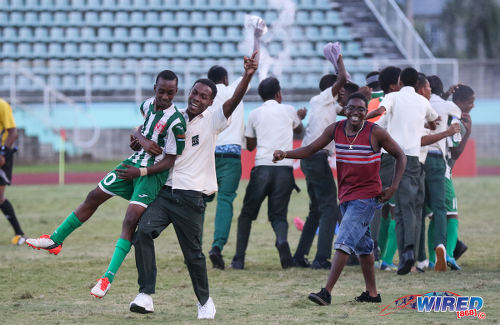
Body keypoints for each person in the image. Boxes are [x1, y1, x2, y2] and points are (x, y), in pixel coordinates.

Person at [26, 70, 187, 298]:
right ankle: (55, 240)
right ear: (155, 88)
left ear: (175, 92)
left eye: (170, 93)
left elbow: (170, 160)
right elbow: (141, 130)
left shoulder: (176, 122)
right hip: (132, 163)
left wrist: (140, 170)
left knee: (130, 219)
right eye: (161, 91)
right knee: (94, 195)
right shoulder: (147, 105)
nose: (165, 97)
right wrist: (137, 139)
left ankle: (106, 278)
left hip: (151, 175)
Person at [129, 52, 259, 319]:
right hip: (164, 193)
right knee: (142, 232)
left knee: (194, 255)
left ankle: (205, 302)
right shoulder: (171, 115)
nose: (197, 99)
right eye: (195, 93)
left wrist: (247, 75)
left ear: (211, 101)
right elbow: (146, 134)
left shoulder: (213, 120)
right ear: (188, 93)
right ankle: (145, 295)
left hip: (191, 198)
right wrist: (138, 141)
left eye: (204, 96)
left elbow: (233, 101)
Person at [273, 92, 406, 305]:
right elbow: (310, 149)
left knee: (343, 240)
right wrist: (285, 154)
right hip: (345, 196)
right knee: (364, 248)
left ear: (366, 112)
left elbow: (401, 155)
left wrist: (394, 187)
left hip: (366, 198)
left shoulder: (376, 132)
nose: (355, 112)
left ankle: (326, 292)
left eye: (361, 109)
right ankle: (372, 294)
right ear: (344, 110)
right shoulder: (335, 129)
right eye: (351, 108)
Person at [367, 67, 439, 275]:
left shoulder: (393, 98)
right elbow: (433, 121)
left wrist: (364, 119)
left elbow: (380, 114)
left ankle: (384, 251)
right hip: (413, 159)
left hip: (391, 157)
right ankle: (409, 252)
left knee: (386, 204)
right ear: (417, 82)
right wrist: (432, 123)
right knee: (408, 207)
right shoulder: (423, 102)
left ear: (400, 80)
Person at [229, 76, 306, 270]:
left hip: (263, 167)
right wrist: (299, 117)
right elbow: (299, 130)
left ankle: (239, 259)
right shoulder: (289, 110)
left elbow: (251, 144)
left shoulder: (254, 114)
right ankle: (281, 241)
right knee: (278, 215)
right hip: (285, 171)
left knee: (247, 214)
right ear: (279, 94)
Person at [291, 47, 347, 270]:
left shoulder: (325, 104)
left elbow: (351, 111)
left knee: (316, 210)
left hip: (310, 159)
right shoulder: (323, 98)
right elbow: (342, 78)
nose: (342, 92)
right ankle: (321, 258)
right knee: (330, 209)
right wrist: (339, 58)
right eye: (340, 90)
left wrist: (362, 97)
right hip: (316, 158)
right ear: (331, 90)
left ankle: (299, 256)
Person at [427, 83, 474, 271]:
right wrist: (468, 132)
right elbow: (454, 153)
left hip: (421, 164)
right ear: (460, 102)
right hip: (440, 169)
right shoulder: (455, 119)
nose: (473, 106)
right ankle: (450, 256)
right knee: (450, 213)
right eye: (471, 102)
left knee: (434, 215)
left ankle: (430, 259)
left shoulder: (431, 107)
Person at [204, 65, 247, 270]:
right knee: (225, 201)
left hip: (208, 154)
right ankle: (217, 246)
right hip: (231, 156)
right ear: (226, 78)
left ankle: (193, 246)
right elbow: (249, 74)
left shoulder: (206, 95)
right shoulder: (234, 90)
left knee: (200, 200)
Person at [0, 98, 24, 245]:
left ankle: (19, 234)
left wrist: (3, 153)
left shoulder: (2, 105)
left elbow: (13, 133)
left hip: (2, 154)